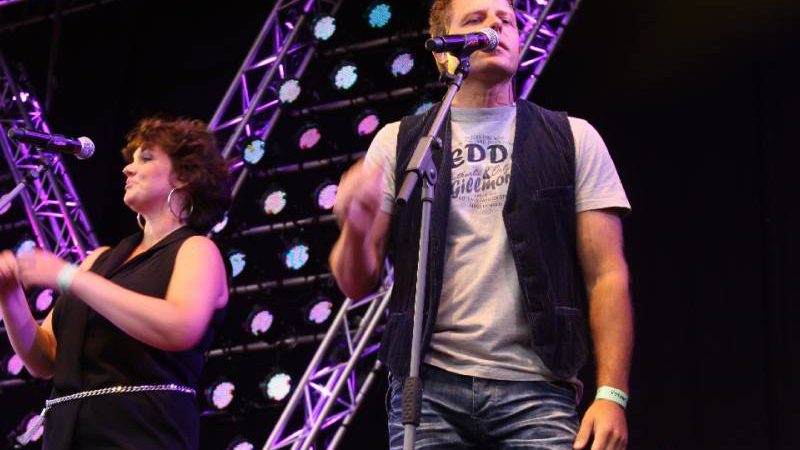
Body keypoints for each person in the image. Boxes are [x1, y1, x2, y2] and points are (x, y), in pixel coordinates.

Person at [329, 0, 633, 449]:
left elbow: (606, 275)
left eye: (505, 20)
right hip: (427, 391)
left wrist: (611, 395)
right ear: (443, 52)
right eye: (476, 20)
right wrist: (355, 228)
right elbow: (356, 284)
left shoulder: (573, 138)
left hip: (538, 389)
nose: (495, 26)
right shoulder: (399, 143)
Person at [0, 117, 231, 450]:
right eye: (131, 159)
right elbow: (45, 358)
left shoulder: (196, 250)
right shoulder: (99, 260)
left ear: (184, 176)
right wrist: (10, 295)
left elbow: (180, 326)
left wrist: (68, 277)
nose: (128, 169)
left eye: (146, 158)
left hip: (142, 434)